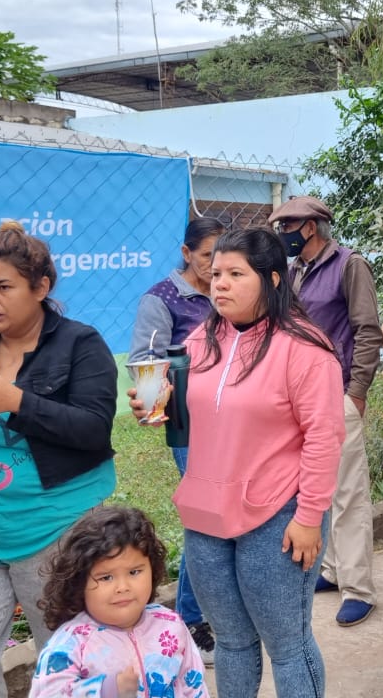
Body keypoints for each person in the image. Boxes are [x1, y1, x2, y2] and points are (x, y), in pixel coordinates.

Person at [144, 227, 344, 698]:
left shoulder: (305, 349)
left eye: (236, 274)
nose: (220, 285)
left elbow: (324, 436)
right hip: (207, 514)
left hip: (277, 517)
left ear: (272, 279)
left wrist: (310, 516)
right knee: (231, 642)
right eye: (215, 274)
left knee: (287, 645)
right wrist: (160, 406)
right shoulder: (203, 339)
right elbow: (199, 408)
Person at [0, 221, 118, 697]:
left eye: (3, 287)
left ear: (41, 287)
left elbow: (93, 431)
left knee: (67, 662)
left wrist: (16, 401)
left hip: (57, 528)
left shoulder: (81, 345)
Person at [271, 196, 383, 628]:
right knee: (320, 487)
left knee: (349, 491)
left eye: (288, 225)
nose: (283, 233)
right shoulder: (295, 270)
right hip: (303, 394)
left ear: (312, 226)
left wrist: (356, 392)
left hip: (338, 393)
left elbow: (367, 329)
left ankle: (359, 588)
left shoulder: (349, 265)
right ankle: (334, 571)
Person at [129, 216, 227, 660]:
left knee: (217, 516)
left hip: (234, 420)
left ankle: (207, 610)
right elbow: (146, 361)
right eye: (208, 256)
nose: (216, 266)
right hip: (190, 425)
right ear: (187, 254)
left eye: (223, 258)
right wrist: (155, 401)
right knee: (204, 517)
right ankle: (189, 618)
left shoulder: (230, 290)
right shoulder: (162, 299)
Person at [29, 506, 206, 697]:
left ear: (152, 570)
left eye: (134, 572)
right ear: (79, 581)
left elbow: (193, 684)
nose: (123, 587)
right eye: (106, 577)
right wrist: (106, 690)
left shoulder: (170, 625)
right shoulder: (70, 645)